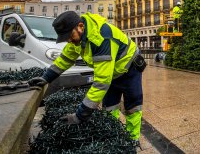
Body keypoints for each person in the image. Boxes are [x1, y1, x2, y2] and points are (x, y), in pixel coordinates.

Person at [28, 11, 146, 142]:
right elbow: (65, 59)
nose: (68, 40)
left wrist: (80, 115)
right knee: (110, 105)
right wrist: (46, 78)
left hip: (129, 68)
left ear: (80, 26)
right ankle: (114, 135)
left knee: (133, 106)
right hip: (111, 72)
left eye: (69, 35)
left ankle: (132, 141)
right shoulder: (76, 38)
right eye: (65, 37)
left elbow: (101, 82)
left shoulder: (101, 38)